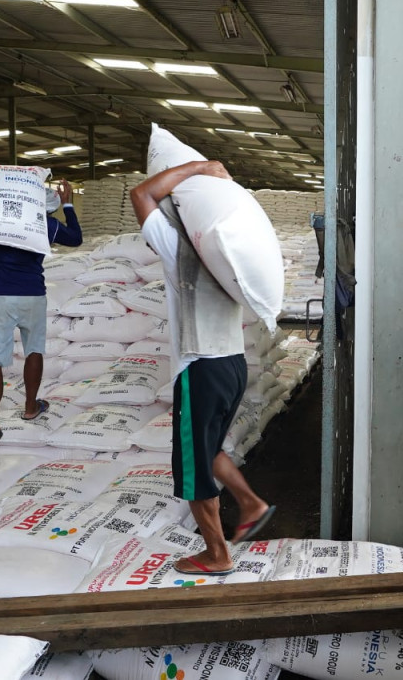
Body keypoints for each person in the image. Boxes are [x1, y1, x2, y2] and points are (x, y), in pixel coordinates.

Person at [130, 159, 274, 577]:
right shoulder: (226, 252)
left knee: (191, 466)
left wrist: (195, 168)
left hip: (202, 368)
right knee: (209, 452)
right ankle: (250, 502)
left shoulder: (179, 246)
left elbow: (141, 194)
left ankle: (217, 554)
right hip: (232, 363)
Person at [0, 165, 83, 453]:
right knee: (34, 350)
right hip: (33, 294)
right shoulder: (46, 224)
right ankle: (31, 406)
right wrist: (68, 203)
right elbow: (76, 238)